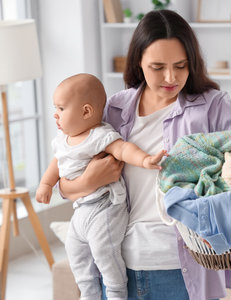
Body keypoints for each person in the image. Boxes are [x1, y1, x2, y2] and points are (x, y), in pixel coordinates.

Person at [57, 10, 231, 300]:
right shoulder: (113, 110)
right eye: (158, 67)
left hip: (180, 274)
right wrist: (86, 182)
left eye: (180, 65)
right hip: (115, 273)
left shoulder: (212, 108)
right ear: (138, 62)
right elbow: (64, 181)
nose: (171, 77)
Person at [36, 73, 167, 300]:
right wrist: (46, 184)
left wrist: (145, 160)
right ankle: (89, 293)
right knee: (75, 251)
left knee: (104, 252)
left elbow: (124, 149)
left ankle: (116, 292)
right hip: (81, 211)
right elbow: (56, 163)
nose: (55, 114)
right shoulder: (62, 139)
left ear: (86, 111)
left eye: (61, 108)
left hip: (105, 207)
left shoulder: (99, 135)